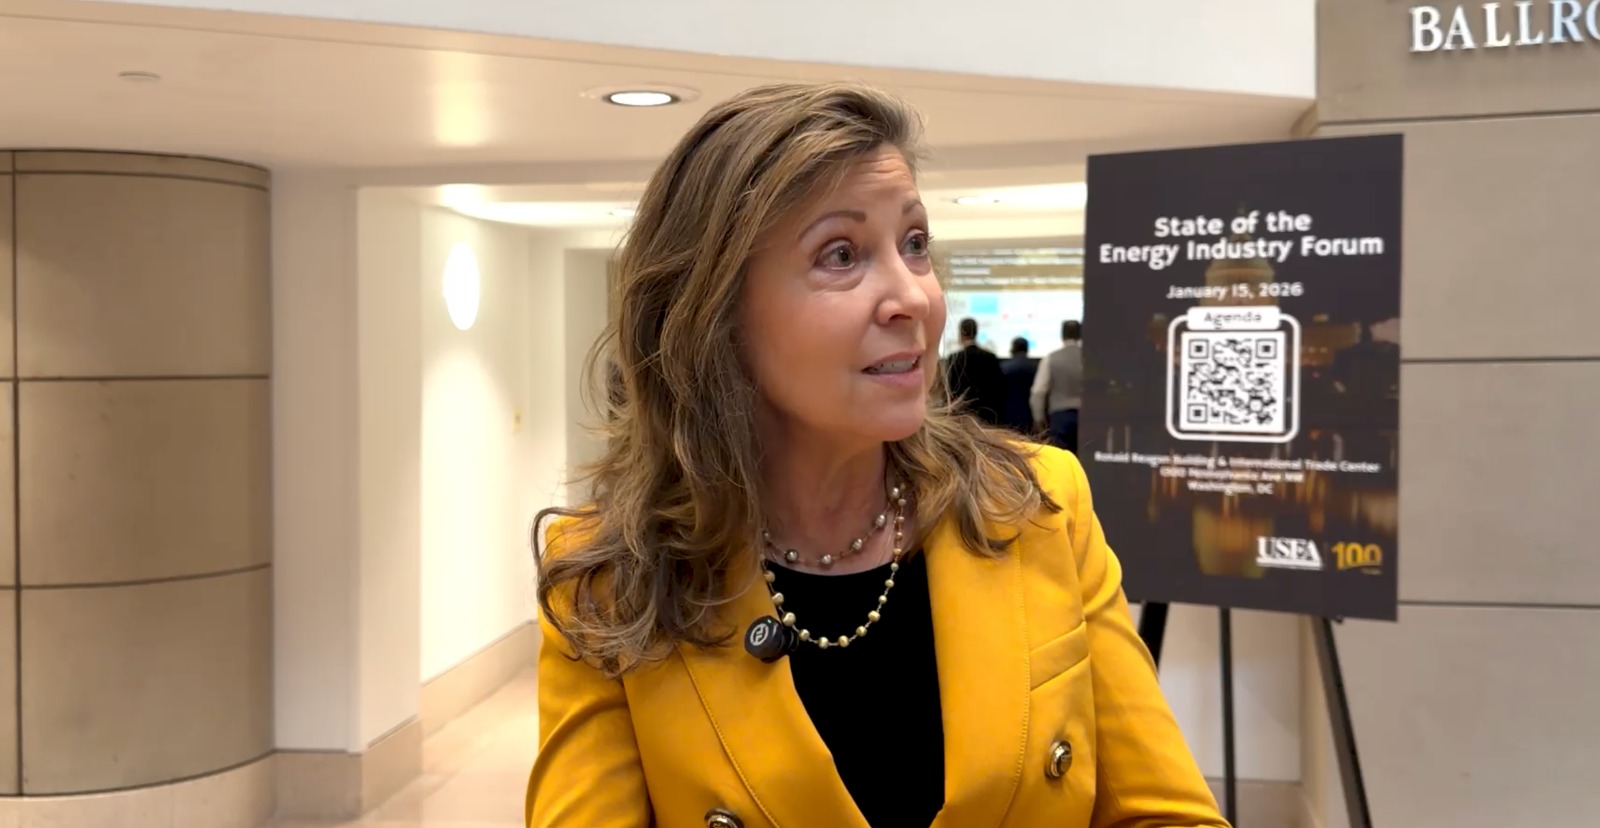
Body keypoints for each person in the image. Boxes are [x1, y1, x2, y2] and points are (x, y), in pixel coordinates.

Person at [527, 81, 1225, 828]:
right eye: (841, 254)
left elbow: (1165, 814)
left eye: (915, 244)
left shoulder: (1039, 505)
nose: (914, 297)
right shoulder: (610, 580)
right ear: (715, 314)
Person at [1032, 319, 1084, 453]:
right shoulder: (1091, 358)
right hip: (1087, 417)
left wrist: (1039, 420)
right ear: (1080, 334)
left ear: (1062, 335)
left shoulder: (1050, 358)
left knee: (1061, 458)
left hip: (1060, 417)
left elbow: (1038, 392)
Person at [942, 317, 1006, 426]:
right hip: (987, 416)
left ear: (960, 333)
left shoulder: (954, 358)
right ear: (976, 332)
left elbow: (949, 389)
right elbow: (999, 388)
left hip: (961, 416)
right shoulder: (990, 357)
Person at [999, 335, 1041, 434]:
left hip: (1008, 414)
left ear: (1013, 349)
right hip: (1030, 414)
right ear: (1027, 349)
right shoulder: (1037, 367)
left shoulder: (1003, 367)